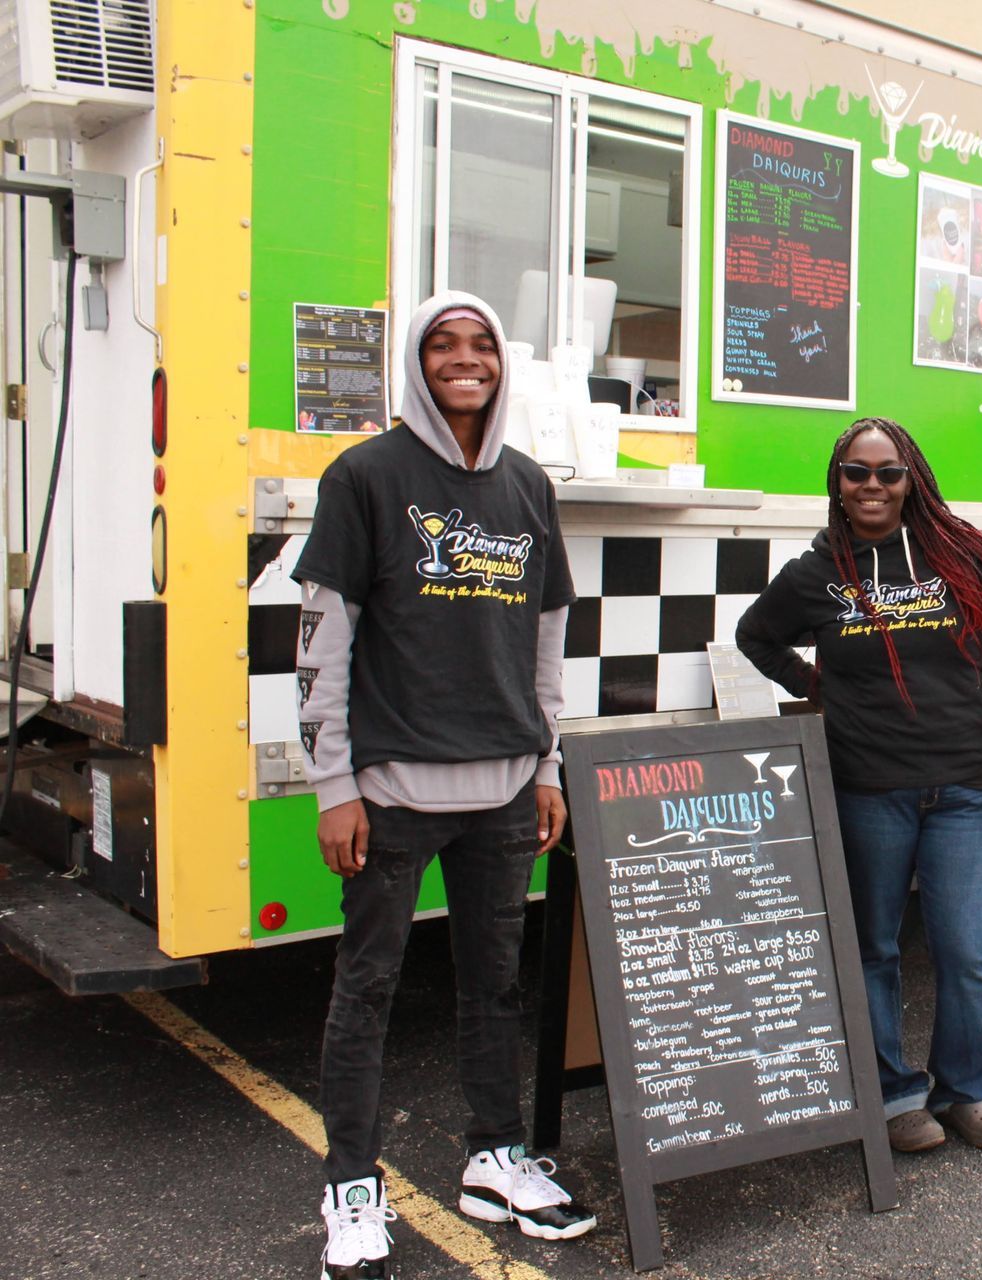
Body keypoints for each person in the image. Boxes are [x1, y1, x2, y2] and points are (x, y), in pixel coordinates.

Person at [294, 291, 595, 1279]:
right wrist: (335, 780)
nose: (463, 360)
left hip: (507, 785)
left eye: (480, 345)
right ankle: (350, 1181)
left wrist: (546, 763)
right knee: (368, 985)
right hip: (392, 789)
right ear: (417, 362)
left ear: (502, 363)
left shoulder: (526, 488)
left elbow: (547, 641)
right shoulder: (365, 477)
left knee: (494, 982)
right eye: (441, 344)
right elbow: (323, 639)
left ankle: (493, 1154)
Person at [735, 417, 982, 1153]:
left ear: (913, 480)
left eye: (887, 473)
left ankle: (967, 1092)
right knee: (874, 947)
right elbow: (756, 635)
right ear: (837, 484)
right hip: (868, 787)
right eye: (856, 473)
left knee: (965, 949)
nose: (871, 486)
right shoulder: (819, 572)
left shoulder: (965, 559)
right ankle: (898, 1095)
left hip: (963, 789)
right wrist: (816, 686)